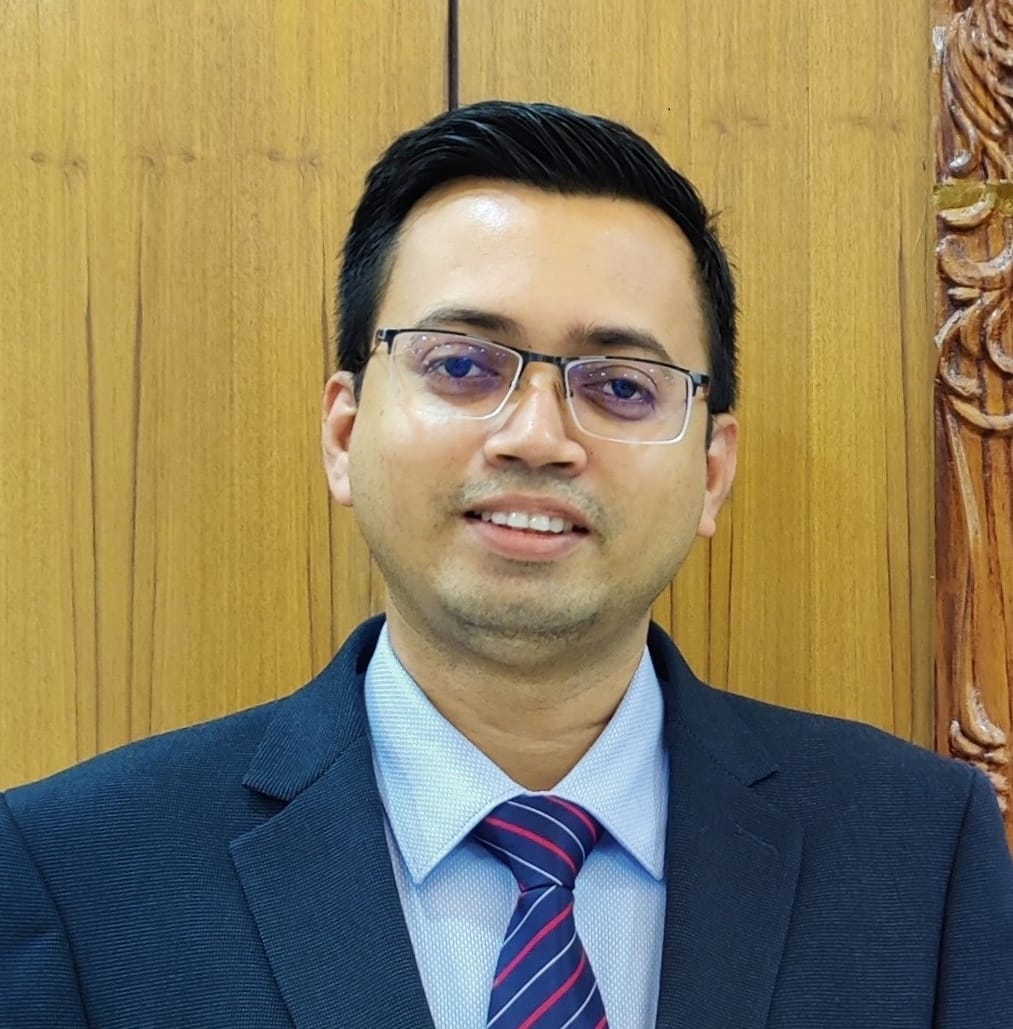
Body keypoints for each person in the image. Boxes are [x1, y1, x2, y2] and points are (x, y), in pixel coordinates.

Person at [1, 100, 1011, 1029]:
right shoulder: (80, 874)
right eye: (459, 366)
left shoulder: (918, 854)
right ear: (343, 434)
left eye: (621, 386)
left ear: (711, 471)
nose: (536, 437)